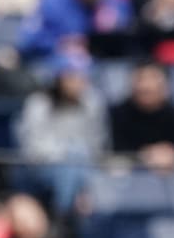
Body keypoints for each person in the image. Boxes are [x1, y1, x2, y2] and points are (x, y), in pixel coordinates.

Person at [15, 52, 109, 217]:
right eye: (72, 77)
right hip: (41, 167)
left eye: (82, 77)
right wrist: (68, 153)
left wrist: (77, 154)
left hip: (84, 165)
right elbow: (33, 148)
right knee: (70, 165)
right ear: (58, 79)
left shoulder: (93, 101)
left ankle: (68, 218)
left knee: (77, 165)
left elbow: (98, 142)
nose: (78, 83)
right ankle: (68, 216)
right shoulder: (38, 103)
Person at [109, 61, 174, 170]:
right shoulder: (117, 114)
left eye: (152, 78)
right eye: (141, 79)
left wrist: (170, 152)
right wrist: (146, 154)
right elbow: (116, 147)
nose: (146, 85)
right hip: (132, 169)